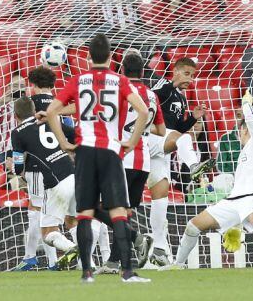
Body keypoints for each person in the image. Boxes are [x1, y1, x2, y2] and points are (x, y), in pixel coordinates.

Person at [46, 33, 151, 283]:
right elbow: (144, 111)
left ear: (89, 56)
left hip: (84, 151)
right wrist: (133, 141)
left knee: (85, 211)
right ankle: (127, 272)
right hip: (110, 151)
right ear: (110, 55)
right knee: (118, 212)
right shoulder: (120, 81)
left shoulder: (77, 80)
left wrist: (64, 143)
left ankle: (86, 273)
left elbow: (52, 111)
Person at [160, 90, 253, 270]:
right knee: (193, 226)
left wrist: (246, 103)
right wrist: (235, 224)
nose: (238, 134)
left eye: (239, 130)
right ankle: (178, 264)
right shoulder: (250, 152)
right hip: (233, 200)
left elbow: (251, 120)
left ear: (244, 130)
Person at [96, 52, 164, 274]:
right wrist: (141, 128)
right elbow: (161, 130)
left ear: (122, 70)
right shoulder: (152, 96)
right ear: (143, 71)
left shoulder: (120, 91)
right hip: (143, 162)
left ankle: (137, 239)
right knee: (122, 213)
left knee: (94, 206)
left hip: (121, 158)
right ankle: (114, 263)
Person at [147, 57, 214, 266]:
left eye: (192, 75)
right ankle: (194, 167)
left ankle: (159, 248)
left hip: (164, 148)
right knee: (184, 139)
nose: (190, 79)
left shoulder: (183, 100)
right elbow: (150, 98)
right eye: (186, 74)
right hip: (151, 137)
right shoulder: (164, 86)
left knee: (160, 199)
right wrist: (171, 85)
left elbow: (179, 129)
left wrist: (193, 118)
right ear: (175, 72)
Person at [11, 97, 80, 269]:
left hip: (54, 182)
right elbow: (73, 133)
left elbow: (18, 163)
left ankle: (72, 248)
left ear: (15, 115)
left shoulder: (18, 132)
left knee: (48, 233)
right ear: (34, 110)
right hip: (73, 174)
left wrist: (17, 172)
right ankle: (87, 263)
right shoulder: (48, 120)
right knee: (73, 221)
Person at [13, 67, 63, 271]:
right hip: (58, 163)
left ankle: (36, 258)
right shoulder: (60, 104)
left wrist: (18, 168)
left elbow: (22, 137)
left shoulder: (30, 105)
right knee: (50, 212)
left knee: (36, 211)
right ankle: (46, 259)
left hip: (35, 165)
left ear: (32, 85)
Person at [215, 109, 243, 175]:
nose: (242, 119)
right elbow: (220, 166)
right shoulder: (225, 138)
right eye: (239, 115)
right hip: (232, 179)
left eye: (245, 115)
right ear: (235, 117)